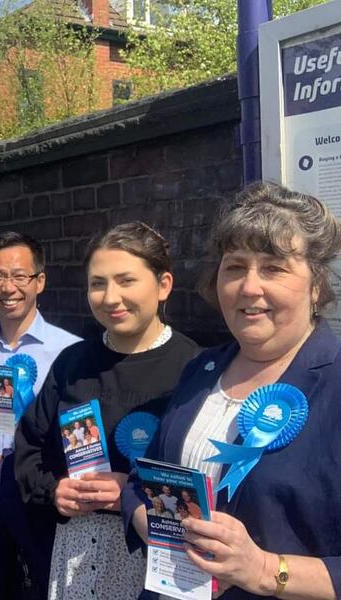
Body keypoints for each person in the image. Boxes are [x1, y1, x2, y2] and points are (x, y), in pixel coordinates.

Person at [124, 183, 341, 599]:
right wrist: (141, 515)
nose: (249, 287)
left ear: (316, 285)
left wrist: (264, 570)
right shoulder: (200, 371)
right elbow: (145, 476)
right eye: (235, 266)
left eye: (274, 267)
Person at [14, 222, 200, 600]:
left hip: (156, 562)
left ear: (163, 284)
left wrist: (132, 494)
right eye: (98, 283)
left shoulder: (194, 369)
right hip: (77, 557)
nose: (111, 297)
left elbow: (204, 479)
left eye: (126, 280)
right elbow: (29, 444)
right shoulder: (72, 364)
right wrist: (54, 491)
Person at [0, 232, 80, 599]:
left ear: (40, 280)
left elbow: (79, 434)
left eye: (20, 276)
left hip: (43, 503)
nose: (8, 288)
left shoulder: (69, 351)